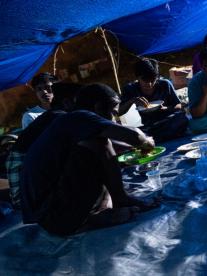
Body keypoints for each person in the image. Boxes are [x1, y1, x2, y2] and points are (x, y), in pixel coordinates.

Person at [20, 83, 157, 236]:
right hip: (57, 217)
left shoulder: (68, 121)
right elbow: (135, 137)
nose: (114, 119)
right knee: (99, 143)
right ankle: (119, 200)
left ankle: (93, 213)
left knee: (97, 147)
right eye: (114, 113)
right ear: (98, 108)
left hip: (51, 219)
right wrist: (147, 141)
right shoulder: (79, 117)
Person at [6, 82, 81, 209]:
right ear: (68, 102)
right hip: (26, 162)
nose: (44, 92)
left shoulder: (58, 114)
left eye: (48, 88)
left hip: (40, 162)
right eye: (39, 89)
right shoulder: (52, 116)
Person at [119, 58, 188, 142]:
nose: (149, 84)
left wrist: (167, 109)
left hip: (168, 120)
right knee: (134, 133)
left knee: (181, 118)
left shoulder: (165, 84)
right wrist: (132, 101)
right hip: (149, 126)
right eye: (145, 80)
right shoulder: (130, 89)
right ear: (137, 77)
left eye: (153, 80)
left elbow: (178, 105)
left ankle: (158, 138)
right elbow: (119, 111)